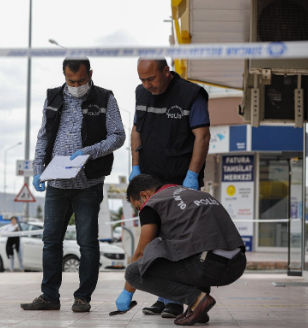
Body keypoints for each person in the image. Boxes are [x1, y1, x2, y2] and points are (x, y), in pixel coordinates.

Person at [21, 57, 125, 313]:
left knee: (87, 242)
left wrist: (90, 151)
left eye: (81, 80)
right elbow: (43, 135)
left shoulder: (104, 98)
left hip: (88, 183)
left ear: (90, 74)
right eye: (71, 80)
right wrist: (37, 171)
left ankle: (82, 298)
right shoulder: (54, 97)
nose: (76, 85)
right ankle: (49, 296)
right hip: (57, 182)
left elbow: (118, 135)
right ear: (64, 75)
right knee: (50, 241)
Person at [128, 58, 211, 317]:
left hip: (180, 178)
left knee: (183, 241)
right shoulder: (142, 93)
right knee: (157, 240)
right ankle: (165, 297)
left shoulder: (190, 94)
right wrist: (135, 166)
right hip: (152, 180)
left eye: (151, 78)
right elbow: (136, 131)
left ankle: (181, 300)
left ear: (166, 71)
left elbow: (202, 136)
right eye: (142, 79)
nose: (146, 84)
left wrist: (192, 175)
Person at [115, 175, 246, 325]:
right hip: (237, 265)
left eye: (138, 206)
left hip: (209, 266)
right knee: (189, 250)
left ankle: (196, 300)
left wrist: (127, 292)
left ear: (144, 195)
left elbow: (141, 253)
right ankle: (197, 309)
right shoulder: (199, 194)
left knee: (134, 272)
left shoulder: (153, 204)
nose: (140, 210)